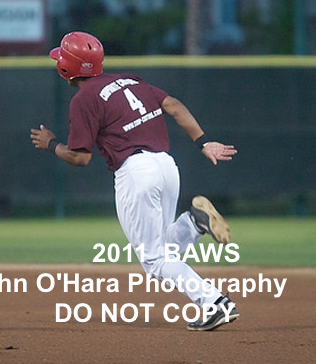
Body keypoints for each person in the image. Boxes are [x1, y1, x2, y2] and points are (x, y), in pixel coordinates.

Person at [31, 31, 239, 331]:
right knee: (162, 249)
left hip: (136, 173)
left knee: (154, 262)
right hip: (167, 166)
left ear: (67, 68)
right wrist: (203, 142)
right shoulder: (129, 80)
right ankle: (193, 223)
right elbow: (174, 105)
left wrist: (51, 144)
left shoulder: (83, 99)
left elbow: (80, 157)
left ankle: (215, 302)